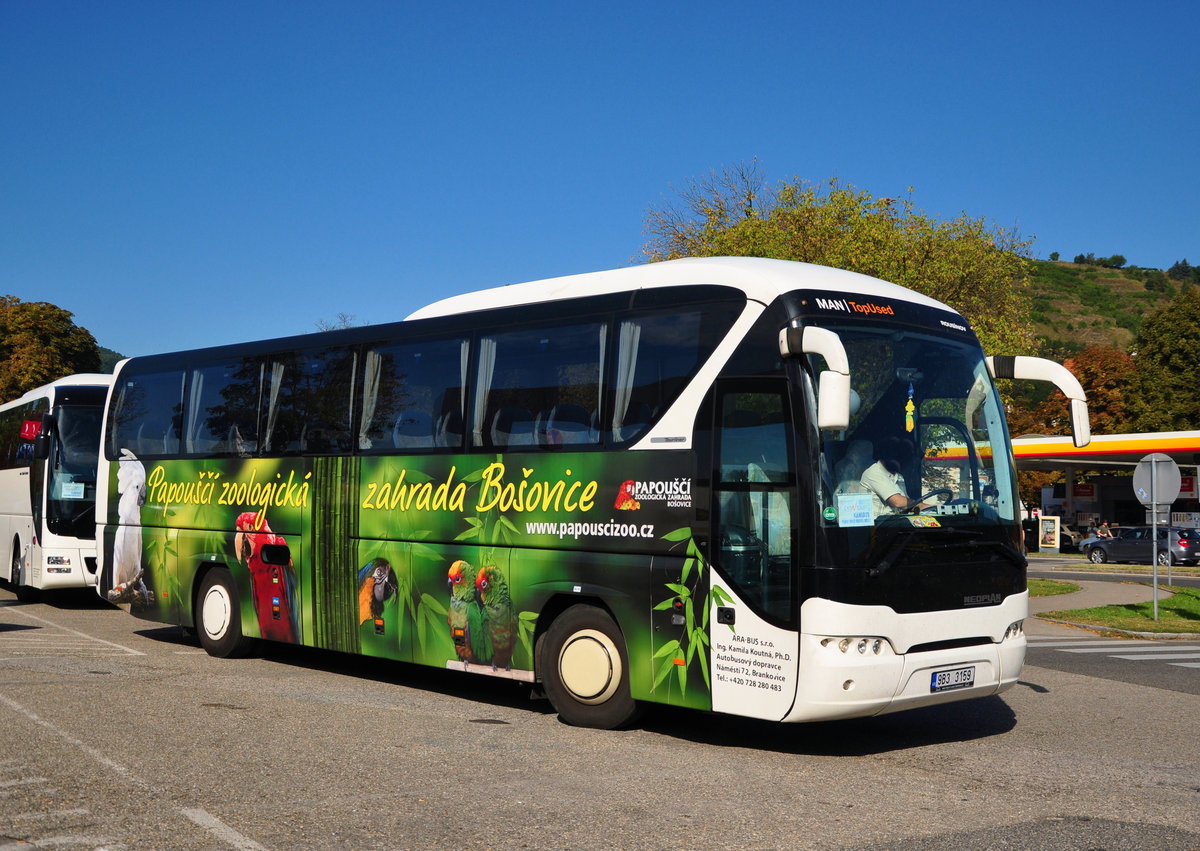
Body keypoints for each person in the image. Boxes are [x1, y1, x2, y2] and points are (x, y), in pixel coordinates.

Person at [860, 436, 932, 517]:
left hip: (895, 523)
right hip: (877, 526)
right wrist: (922, 505)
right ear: (885, 454)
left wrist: (931, 509)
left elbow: (906, 506)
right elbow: (898, 502)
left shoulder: (898, 476)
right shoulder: (873, 472)